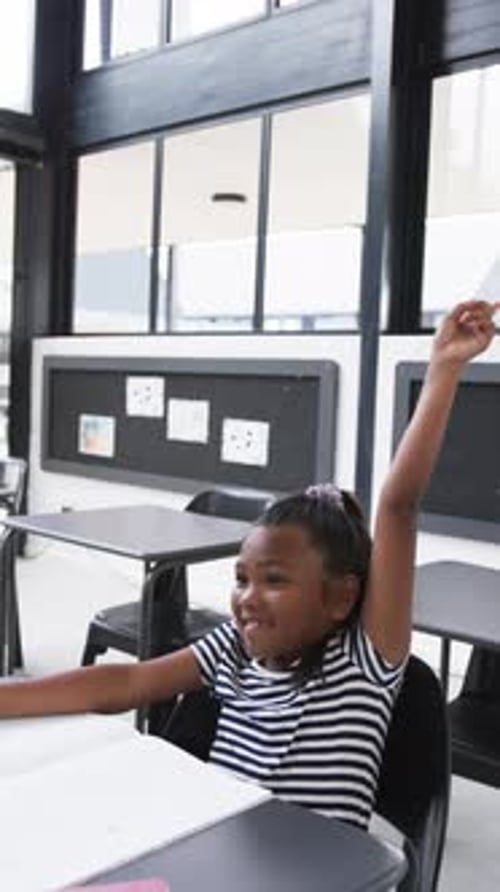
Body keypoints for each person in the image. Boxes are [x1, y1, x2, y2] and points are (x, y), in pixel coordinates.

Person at [0, 300, 497, 828]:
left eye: (275, 580)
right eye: (241, 578)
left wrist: (444, 367)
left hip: (317, 872)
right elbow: (124, 684)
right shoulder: (234, 649)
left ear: (342, 596)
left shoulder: (364, 661)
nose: (246, 597)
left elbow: (398, 506)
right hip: (220, 849)